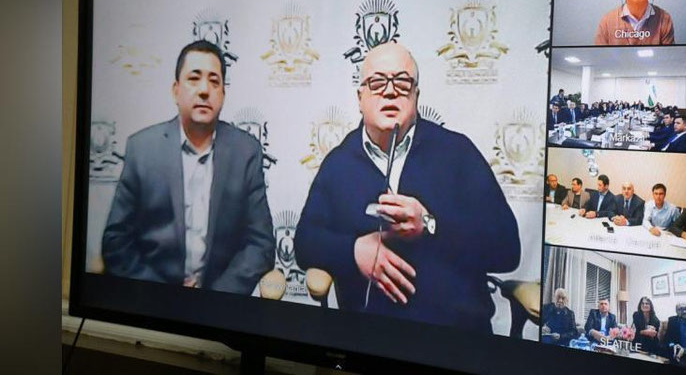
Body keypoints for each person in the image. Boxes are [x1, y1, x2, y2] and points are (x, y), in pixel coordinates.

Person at [293, 42, 520, 332]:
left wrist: (430, 224)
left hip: (455, 337)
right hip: (371, 339)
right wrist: (353, 251)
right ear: (360, 98)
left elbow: (507, 248)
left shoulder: (457, 152)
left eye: (402, 82)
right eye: (377, 83)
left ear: (416, 96)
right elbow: (305, 242)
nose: (390, 91)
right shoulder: (339, 163)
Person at [102, 40, 275, 294]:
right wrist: (164, 297)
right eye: (194, 79)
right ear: (176, 91)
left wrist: (215, 298)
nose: (204, 90)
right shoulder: (142, 149)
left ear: (223, 95)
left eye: (214, 82)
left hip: (220, 302)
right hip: (153, 301)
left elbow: (261, 244)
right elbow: (116, 242)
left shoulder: (245, 152)